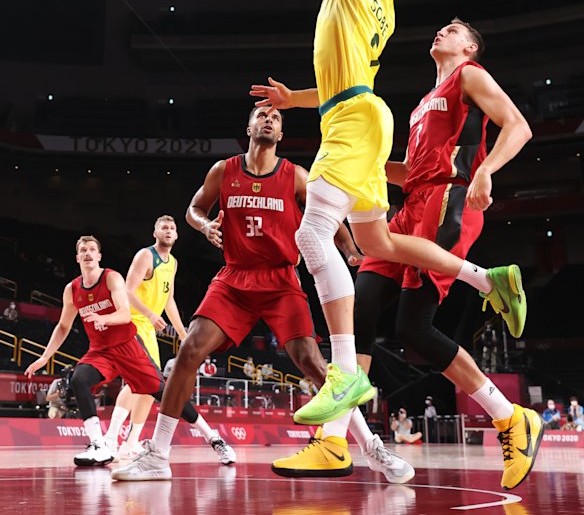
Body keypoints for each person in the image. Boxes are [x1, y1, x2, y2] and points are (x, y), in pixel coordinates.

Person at [249, 0, 526, 472]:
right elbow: (350, 83)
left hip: (359, 126)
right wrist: (298, 97)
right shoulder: (386, 11)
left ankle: (344, 373)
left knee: (315, 232)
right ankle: (485, 280)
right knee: (376, 240)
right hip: (359, 114)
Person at [112, 106, 414, 484]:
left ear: (281, 134)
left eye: (276, 118)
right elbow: (193, 208)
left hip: (280, 280)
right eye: (262, 115)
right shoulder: (224, 170)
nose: (269, 120)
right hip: (235, 278)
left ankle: (373, 449)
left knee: (314, 364)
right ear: (249, 126)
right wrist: (206, 226)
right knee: (189, 350)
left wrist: (350, 248)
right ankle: (157, 455)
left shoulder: (296, 176)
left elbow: (329, 212)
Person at [351, 18, 542, 490]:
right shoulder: (419, 106)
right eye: (439, 27)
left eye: (453, 30)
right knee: (364, 302)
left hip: (449, 201)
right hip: (411, 205)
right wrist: (362, 167)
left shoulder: (469, 75)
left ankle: (510, 417)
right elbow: (411, 174)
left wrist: (487, 171)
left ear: (470, 46)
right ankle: (339, 430)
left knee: (413, 329)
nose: (440, 32)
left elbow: (518, 127)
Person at [24, 235, 228, 467]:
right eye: (83, 250)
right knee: (79, 379)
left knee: (166, 394)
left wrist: (105, 318)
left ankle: (214, 438)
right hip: (101, 352)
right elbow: (63, 327)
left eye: (92, 249)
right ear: (77, 257)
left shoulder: (112, 278)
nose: (88, 253)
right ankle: (100, 445)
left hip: (128, 347)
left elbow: (125, 313)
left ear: (99, 256)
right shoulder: (72, 290)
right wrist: (44, 357)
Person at [102, 216, 230, 462]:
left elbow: (168, 300)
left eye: (172, 228)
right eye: (164, 227)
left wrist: (183, 333)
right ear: (155, 232)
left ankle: (130, 443)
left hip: (147, 329)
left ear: (177, 235)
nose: (168, 230)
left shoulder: (172, 262)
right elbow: (127, 291)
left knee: (150, 387)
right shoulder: (145, 256)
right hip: (132, 324)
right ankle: (110, 439)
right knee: (135, 382)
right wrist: (150, 314)